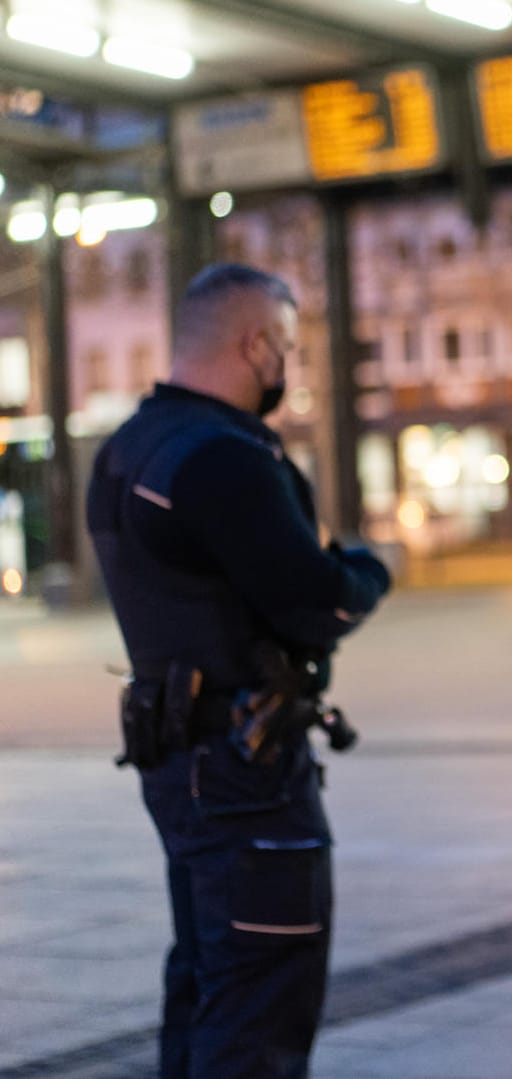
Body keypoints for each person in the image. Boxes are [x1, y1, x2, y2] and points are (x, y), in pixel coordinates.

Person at [87, 264, 392, 1078]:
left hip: (179, 766)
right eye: (286, 347)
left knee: (207, 984)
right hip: (246, 779)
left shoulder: (129, 449)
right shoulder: (223, 458)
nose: (287, 368)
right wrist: (370, 568)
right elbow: (318, 601)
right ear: (255, 344)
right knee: (259, 1010)